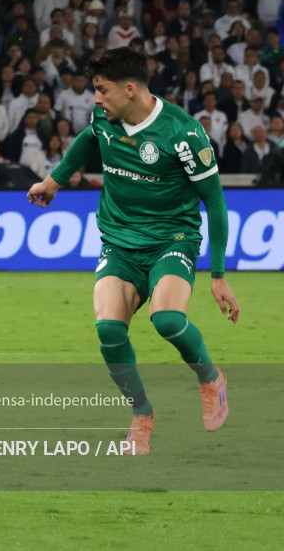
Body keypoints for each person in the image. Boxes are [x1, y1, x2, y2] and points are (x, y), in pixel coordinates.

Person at [27, 48, 239, 455]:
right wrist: (53, 181)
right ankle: (142, 413)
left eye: (102, 90)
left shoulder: (184, 133)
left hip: (172, 239)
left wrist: (218, 276)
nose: (96, 99)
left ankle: (211, 378)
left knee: (167, 319)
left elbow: (214, 200)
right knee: (108, 331)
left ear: (129, 89)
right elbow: (88, 140)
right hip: (120, 241)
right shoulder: (103, 118)